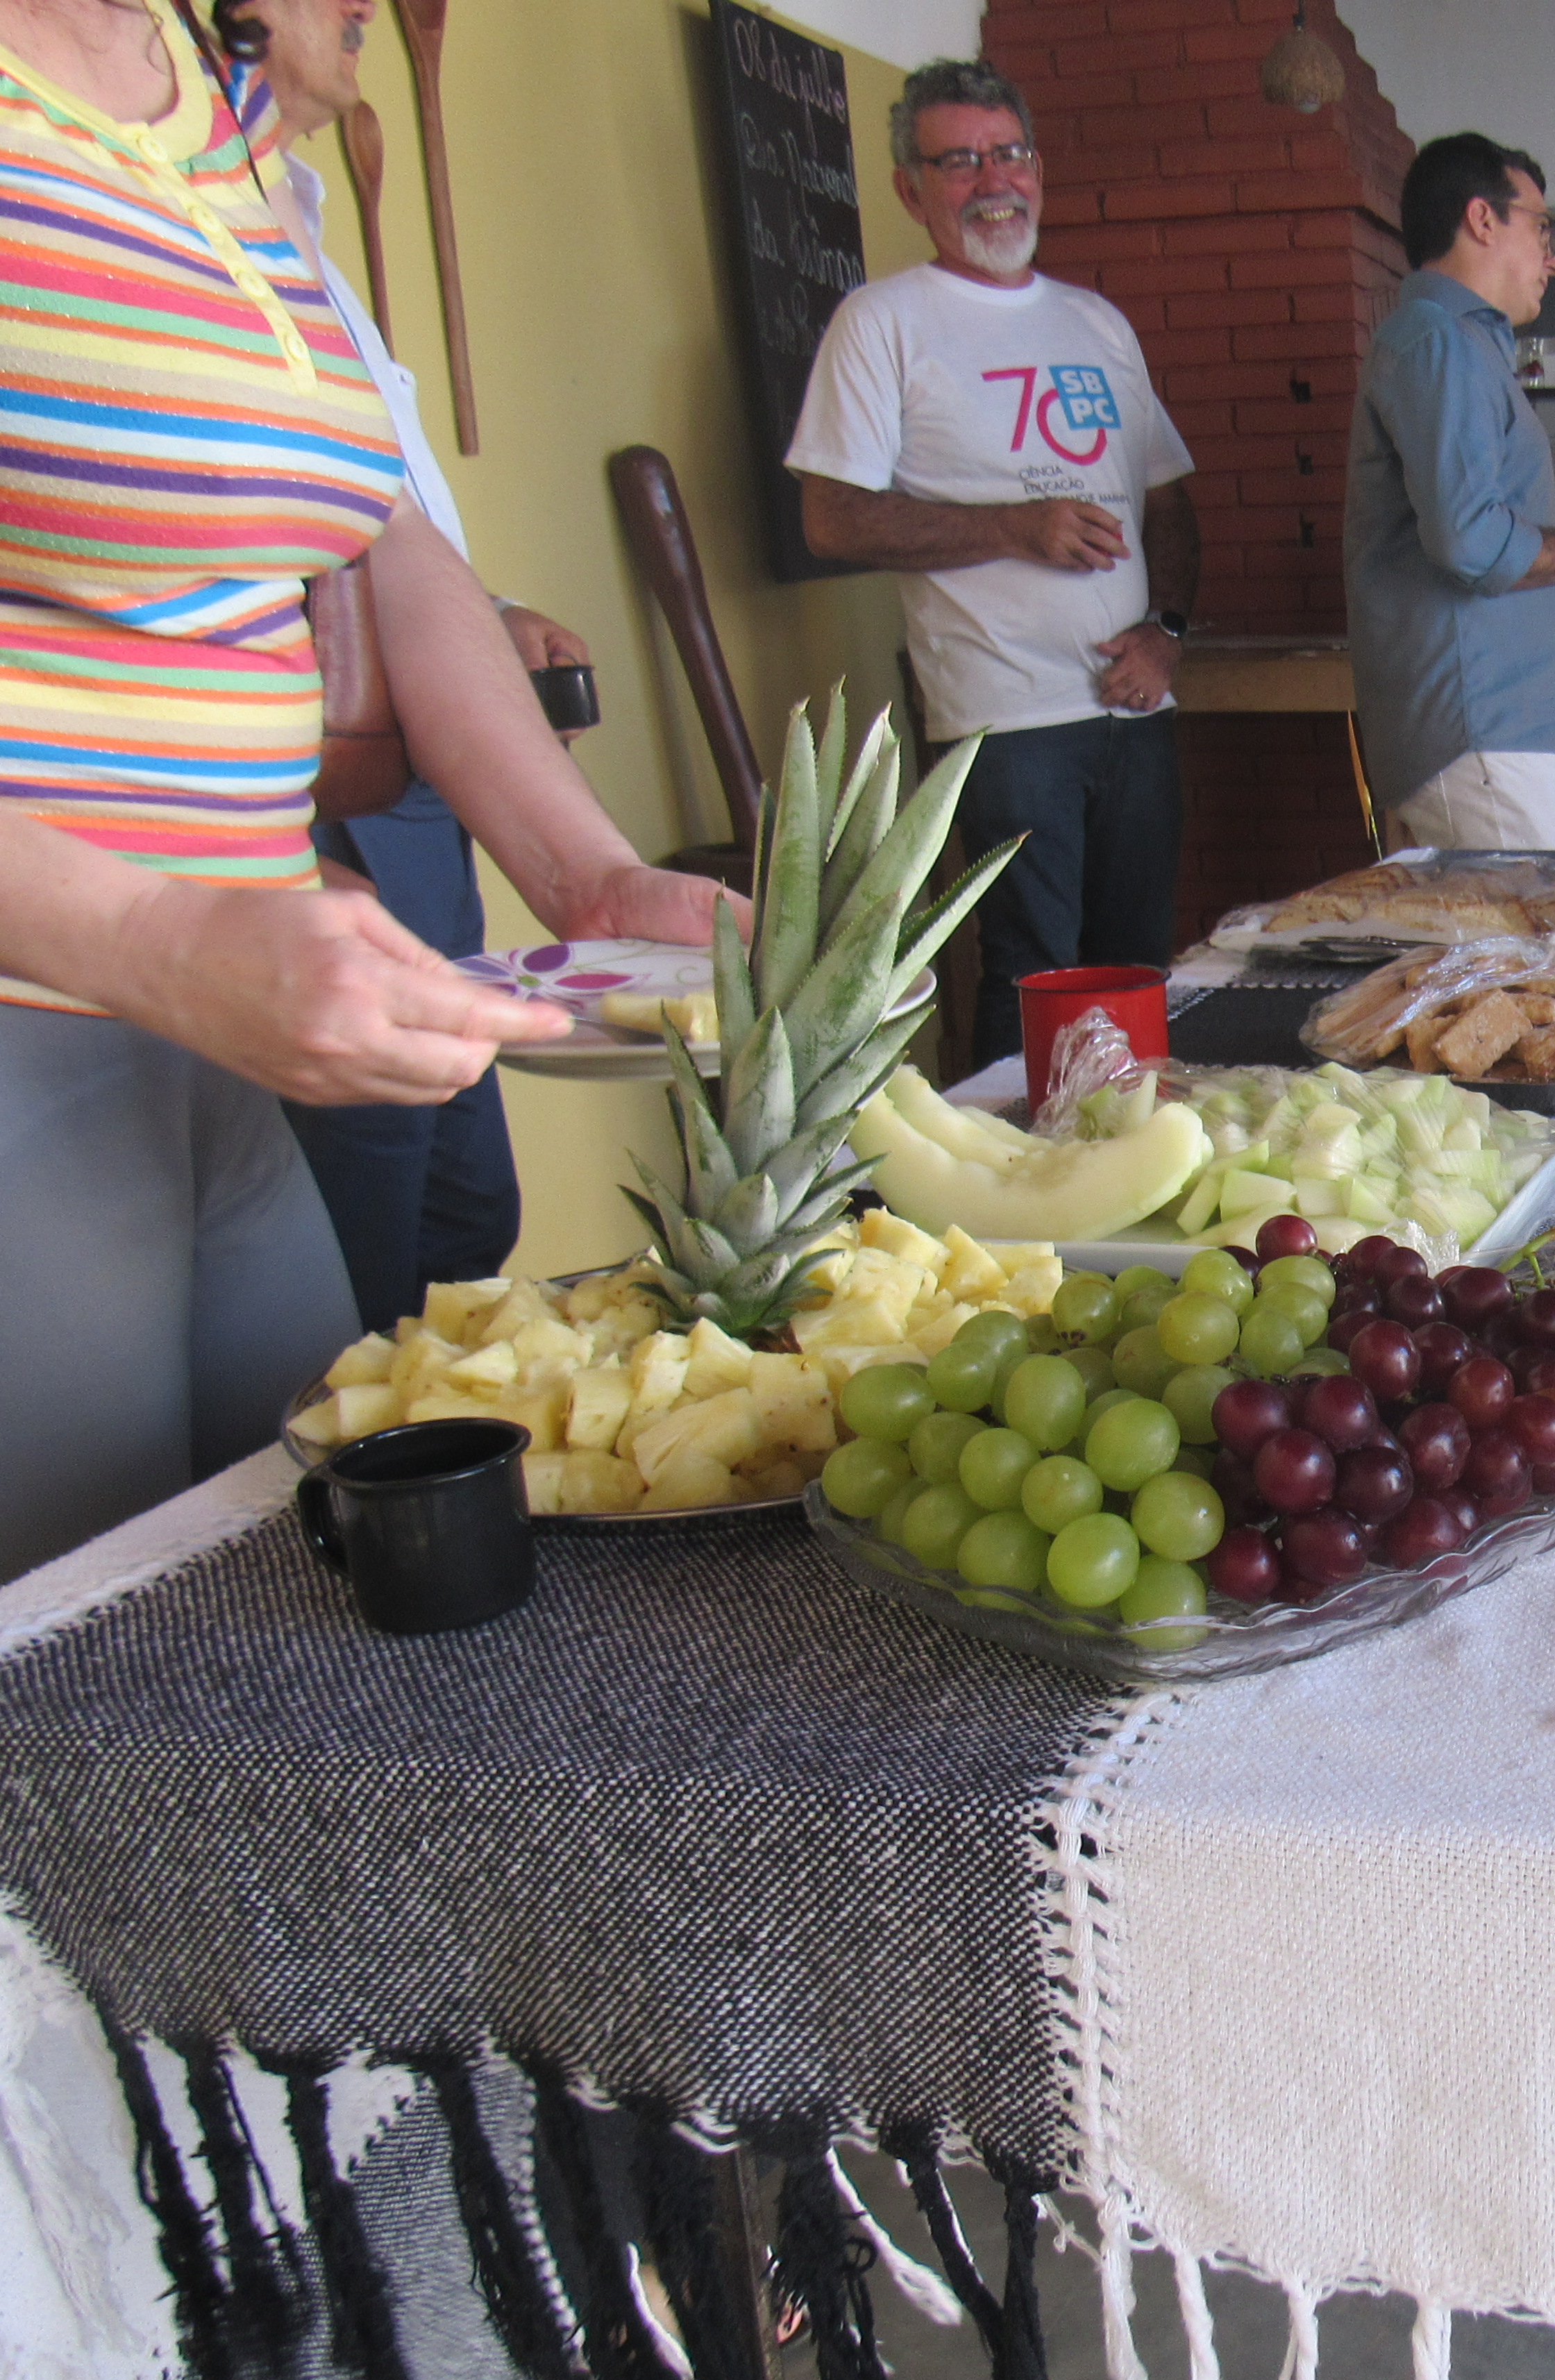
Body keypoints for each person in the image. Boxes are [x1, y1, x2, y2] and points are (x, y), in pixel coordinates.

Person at [0, 0, 727, 1581]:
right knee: (73, 1649)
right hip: (42, 1017)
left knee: (280, 1583)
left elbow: (379, 531)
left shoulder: (205, 101)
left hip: (212, 1039)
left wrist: (587, 876)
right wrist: (154, 936)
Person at [237, 0, 591, 1330]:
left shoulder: (304, 213)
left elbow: (370, 522)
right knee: (365, 1209)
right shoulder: (153, 213)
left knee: (464, 1203)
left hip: (421, 764)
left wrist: (485, 614)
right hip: (305, 783)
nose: (363, 11)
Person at [790, 57, 1202, 1068]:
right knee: (1032, 976)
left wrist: (1168, 632)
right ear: (910, 189)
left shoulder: (1096, 323)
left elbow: (1168, 501)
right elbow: (833, 520)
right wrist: (1014, 529)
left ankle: (1135, 1151)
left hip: (1134, 709)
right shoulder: (881, 323)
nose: (993, 182)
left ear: (1039, 170)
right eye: (960, 162)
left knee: (1139, 969)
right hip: (1004, 720)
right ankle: (1015, 1161)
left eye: (1009, 154)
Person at [1346, 133, 1555, 853]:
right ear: (1482, 219)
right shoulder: (1440, 342)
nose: (1554, 259)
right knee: (1532, 927)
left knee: (1525, 925)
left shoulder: (1460, 345)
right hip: (1480, 730)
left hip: (1494, 731)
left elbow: (1475, 535)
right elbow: (1469, 540)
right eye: (1542, 229)